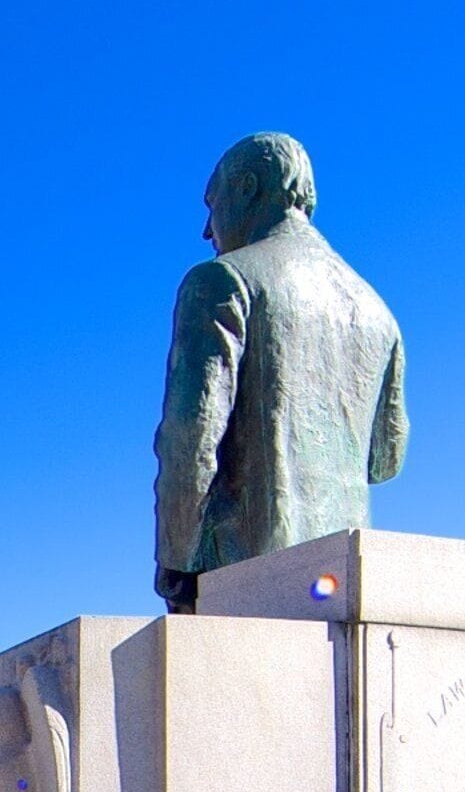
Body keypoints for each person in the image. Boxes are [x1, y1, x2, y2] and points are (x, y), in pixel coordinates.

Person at [151, 133, 409, 611]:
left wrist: (178, 560)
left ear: (247, 188)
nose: (207, 230)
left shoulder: (222, 280)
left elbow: (191, 435)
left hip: (245, 574)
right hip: (340, 586)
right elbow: (384, 460)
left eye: (212, 205)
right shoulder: (378, 313)